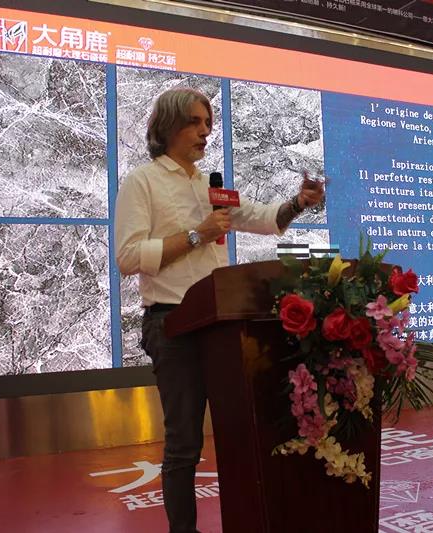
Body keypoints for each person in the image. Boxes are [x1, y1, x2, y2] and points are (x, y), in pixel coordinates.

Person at [114, 88, 325, 533]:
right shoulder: (142, 181)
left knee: (238, 435)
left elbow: (262, 218)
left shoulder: (210, 187)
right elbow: (128, 258)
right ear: (168, 126)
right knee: (184, 444)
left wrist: (297, 204)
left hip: (222, 327)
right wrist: (198, 235)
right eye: (195, 122)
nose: (205, 132)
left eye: (208, 123)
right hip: (173, 325)